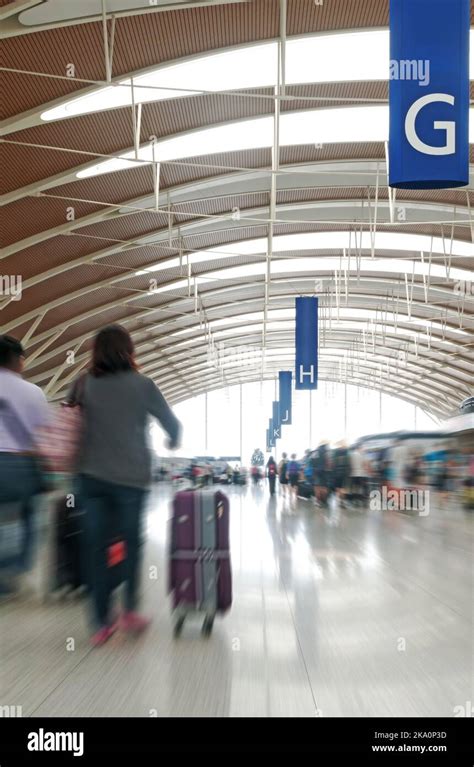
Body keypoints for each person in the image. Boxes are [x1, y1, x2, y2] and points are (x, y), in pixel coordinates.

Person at [70, 325, 181, 647]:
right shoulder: (143, 385)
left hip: (89, 479)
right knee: (130, 544)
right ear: (129, 351)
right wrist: (172, 441)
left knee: (96, 548)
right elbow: (172, 425)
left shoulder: (82, 384)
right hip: (131, 481)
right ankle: (130, 610)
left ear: (96, 352)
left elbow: (68, 424)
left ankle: (100, 623)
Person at [0, 335, 50, 595]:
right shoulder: (33, 392)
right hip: (19, 465)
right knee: (29, 515)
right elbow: (42, 433)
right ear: (18, 360)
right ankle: (17, 567)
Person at [312, 442, 329, 507]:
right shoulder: (326, 452)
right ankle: (324, 501)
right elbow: (328, 462)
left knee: (317, 488)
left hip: (316, 471)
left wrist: (315, 468)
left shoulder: (315, 452)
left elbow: (312, 461)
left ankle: (318, 502)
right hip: (324, 471)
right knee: (324, 487)